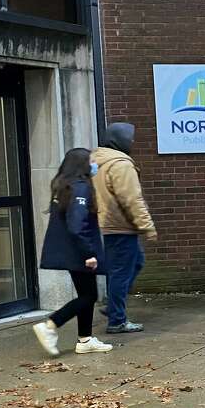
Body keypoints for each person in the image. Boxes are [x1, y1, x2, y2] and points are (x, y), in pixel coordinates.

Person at [33, 149, 113, 356]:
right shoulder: (80, 189)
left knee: (86, 294)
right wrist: (89, 253)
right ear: (82, 165)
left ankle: (85, 339)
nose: (94, 165)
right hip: (79, 251)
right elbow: (77, 225)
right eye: (91, 162)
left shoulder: (64, 186)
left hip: (71, 249)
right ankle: (51, 324)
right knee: (89, 296)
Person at [91, 122, 158, 333]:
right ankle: (117, 320)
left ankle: (113, 306)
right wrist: (146, 225)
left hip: (107, 223)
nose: (132, 142)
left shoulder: (97, 161)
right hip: (122, 224)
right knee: (122, 271)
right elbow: (132, 199)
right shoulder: (121, 164)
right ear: (118, 140)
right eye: (129, 138)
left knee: (133, 263)